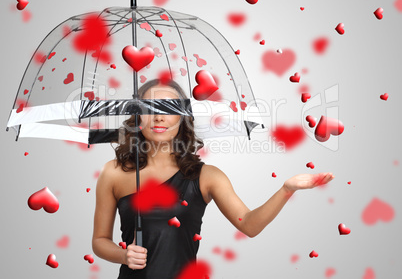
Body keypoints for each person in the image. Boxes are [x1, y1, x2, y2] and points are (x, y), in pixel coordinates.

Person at [92, 79, 334, 278]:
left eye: (169, 108)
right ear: (137, 117)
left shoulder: (207, 176)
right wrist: (123, 256)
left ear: (182, 116)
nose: (158, 117)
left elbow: (249, 225)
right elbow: (100, 240)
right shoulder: (113, 173)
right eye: (150, 108)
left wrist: (286, 190)